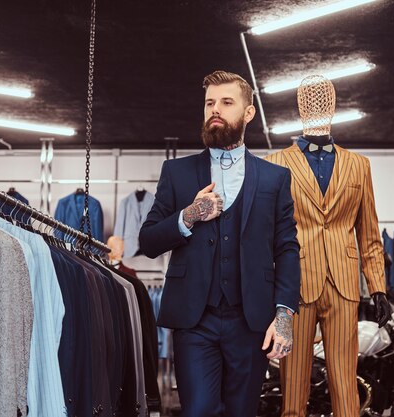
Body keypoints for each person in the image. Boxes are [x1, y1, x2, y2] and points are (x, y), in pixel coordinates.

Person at [139, 70, 300, 417]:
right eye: (210, 102)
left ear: (248, 112)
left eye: (227, 102)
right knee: (197, 411)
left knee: (243, 412)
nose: (215, 109)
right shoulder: (176, 173)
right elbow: (148, 240)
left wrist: (284, 314)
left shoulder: (275, 178)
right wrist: (190, 215)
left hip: (251, 320)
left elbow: (287, 247)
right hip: (195, 321)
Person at [265, 74, 391, 417]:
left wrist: (378, 287)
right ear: (299, 107)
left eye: (323, 100)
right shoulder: (276, 164)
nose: (316, 106)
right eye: (309, 100)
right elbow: (267, 234)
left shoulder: (358, 165)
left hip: (344, 286)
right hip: (295, 287)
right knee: (293, 387)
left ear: (333, 106)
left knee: (344, 384)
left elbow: (369, 234)